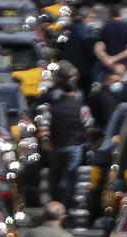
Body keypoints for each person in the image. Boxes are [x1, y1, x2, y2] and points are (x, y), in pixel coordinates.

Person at [41, 74, 90, 210]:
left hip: (56, 147)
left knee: (55, 175)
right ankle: (67, 202)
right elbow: (88, 126)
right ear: (74, 92)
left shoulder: (52, 107)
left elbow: (44, 126)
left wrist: (46, 142)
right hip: (75, 146)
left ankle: (55, 201)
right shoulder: (81, 108)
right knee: (70, 174)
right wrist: (86, 141)